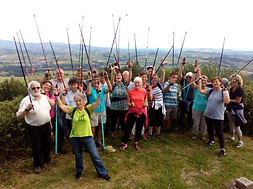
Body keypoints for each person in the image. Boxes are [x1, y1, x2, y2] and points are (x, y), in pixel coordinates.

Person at [54, 90, 110, 181]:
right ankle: (79, 171)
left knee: (95, 155)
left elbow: (98, 102)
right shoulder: (73, 110)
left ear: (84, 101)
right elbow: (61, 106)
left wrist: (99, 93)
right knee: (78, 155)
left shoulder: (88, 109)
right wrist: (56, 95)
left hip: (87, 136)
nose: (78, 103)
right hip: (75, 137)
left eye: (80, 100)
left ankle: (102, 173)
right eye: (76, 101)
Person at [17, 81, 54, 174]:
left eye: (37, 87)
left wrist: (50, 125)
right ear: (29, 90)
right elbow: (19, 117)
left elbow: (47, 111)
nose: (36, 89)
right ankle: (37, 165)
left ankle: (47, 159)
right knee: (36, 146)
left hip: (46, 125)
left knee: (47, 144)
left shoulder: (44, 97)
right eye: (33, 88)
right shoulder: (26, 100)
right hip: (34, 127)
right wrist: (27, 109)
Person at [198, 76, 230, 157]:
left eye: (216, 81)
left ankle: (222, 149)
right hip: (208, 114)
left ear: (220, 83)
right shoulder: (211, 91)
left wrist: (225, 90)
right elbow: (200, 91)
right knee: (210, 128)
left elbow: (227, 101)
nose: (215, 83)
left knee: (219, 132)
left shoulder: (223, 92)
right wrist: (199, 81)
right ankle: (211, 140)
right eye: (213, 82)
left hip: (218, 116)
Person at [119, 77, 148, 150]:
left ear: (141, 83)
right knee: (128, 128)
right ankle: (124, 143)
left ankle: (136, 142)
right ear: (134, 83)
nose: (137, 84)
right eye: (136, 83)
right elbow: (128, 103)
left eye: (138, 83)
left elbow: (146, 102)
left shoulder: (144, 92)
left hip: (141, 112)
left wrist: (145, 104)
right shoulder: (130, 91)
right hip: (132, 112)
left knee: (139, 128)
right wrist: (130, 104)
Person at [86, 74, 112, 147]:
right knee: (93, 127)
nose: (96, 81)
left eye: (97, 80)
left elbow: (110, 88)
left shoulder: (102, 89)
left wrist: (107, 79)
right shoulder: (90, 88)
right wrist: (90, 82)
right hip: (93, 110)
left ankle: (99, 139)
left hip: (102, 109)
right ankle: (91, 141)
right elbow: (88, 93)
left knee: (101, 126)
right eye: (94, 80)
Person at [41, 80, 66, 153]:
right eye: (46, 85)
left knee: (60, 131)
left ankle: (58, 147)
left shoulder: (51, 95)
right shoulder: (38, 94)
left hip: (51, 116)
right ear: (42, 85)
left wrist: (45, 95)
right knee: (47, 135)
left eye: (49, 86)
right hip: (43, 118)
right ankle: (44, 150)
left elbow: (52, 104)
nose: (47, 87)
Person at [227, 74, 246, 148]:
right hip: (231, 107)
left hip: (238, 109)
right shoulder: (231, 89)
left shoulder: (239, 90)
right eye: (232, 79)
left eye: (234, 79)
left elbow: (238, 101)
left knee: (236, 125)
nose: (232, 80)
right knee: (231, 123)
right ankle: (232, 137)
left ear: (238, 81)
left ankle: (240, 141)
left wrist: (229, 100)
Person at [191, 66, 209, 140]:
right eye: (202, 80)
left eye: (205, 80)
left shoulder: (209, 90)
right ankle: (194, 134)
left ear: (207, 82)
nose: (203, 81)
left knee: (204, 124)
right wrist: (195, 73)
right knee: (196, 122)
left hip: (206, 108)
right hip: (196, 108)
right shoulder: (196, 87)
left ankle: (202, 135)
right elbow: (192, 82)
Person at [178, 58, 195, 132]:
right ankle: (180, 127)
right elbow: (179, 74)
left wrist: (196, 67)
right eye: (187, 77)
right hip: (182, 101)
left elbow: (196, 76)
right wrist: (182, 64)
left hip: (191, 102)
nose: (188, 78)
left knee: (190, 116)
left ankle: (189, 127)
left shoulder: (193, 84)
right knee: (181, 115)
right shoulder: (183, 82)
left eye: (190, 77)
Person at [147, 74, 164, 139]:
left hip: (159, 105)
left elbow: (163, 75)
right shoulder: (149, 87)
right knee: (151, 119)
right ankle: (150, 133)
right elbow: (145, 96)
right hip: (151, 105)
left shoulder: (160, 85)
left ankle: (158, 133)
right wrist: (151, 97)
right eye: (154, 78)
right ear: (151, 79)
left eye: (156, 78)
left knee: (158, 119)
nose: (155, 80)